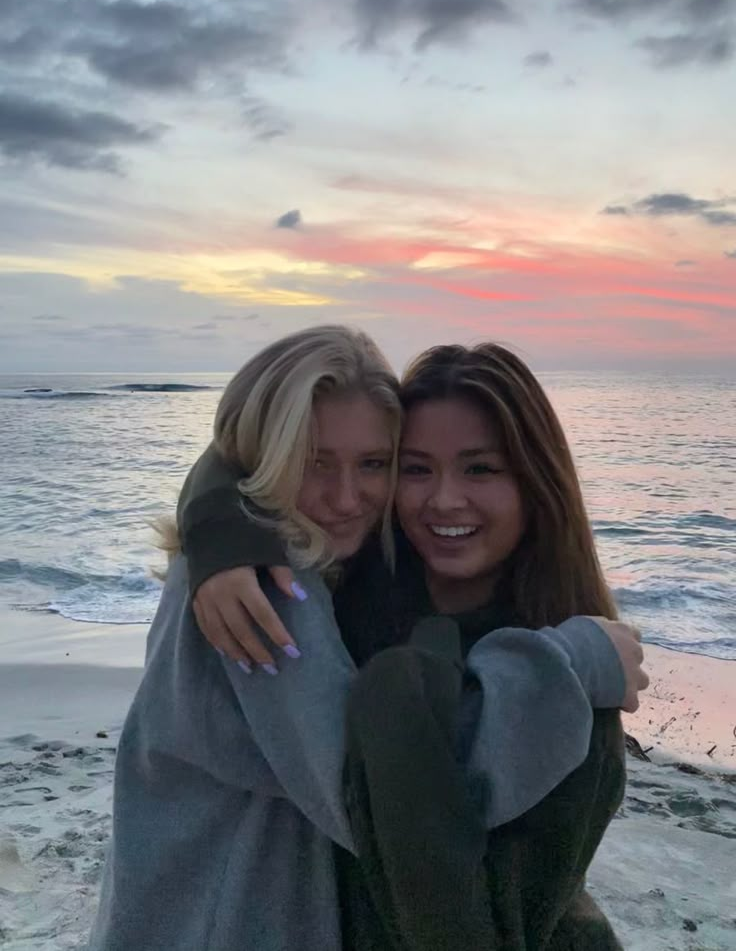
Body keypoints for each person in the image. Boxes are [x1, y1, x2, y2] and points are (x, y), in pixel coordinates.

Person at [172, 338, 647, 950]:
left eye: (481, 468)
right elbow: (247, 447)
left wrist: (571, 662)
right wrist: (219, 523)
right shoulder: (352, 576)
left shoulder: (578, 686)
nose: (444, 499)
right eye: (416, 468)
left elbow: (453, 849)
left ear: (536, 480)